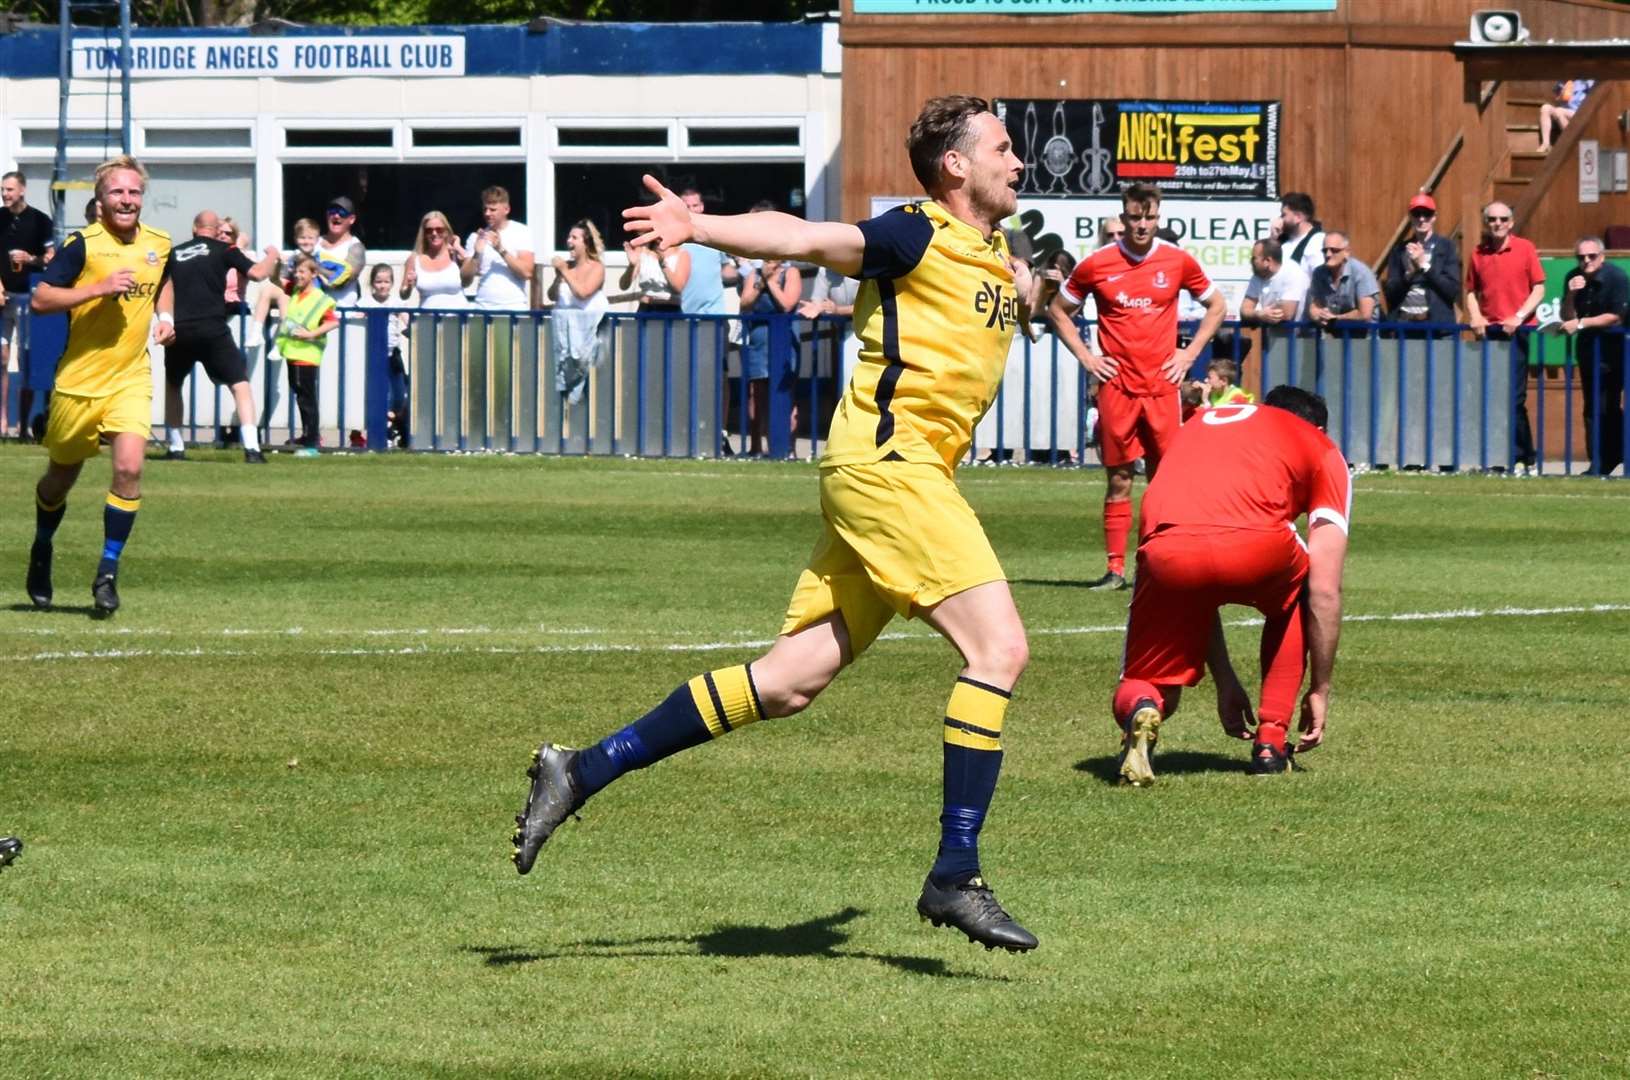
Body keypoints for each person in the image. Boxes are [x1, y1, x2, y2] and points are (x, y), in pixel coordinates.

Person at [510, 95, 1041, 953]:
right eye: (1004, 148)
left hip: (896, 478)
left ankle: (582, 768)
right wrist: (702, 225)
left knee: (788, 682)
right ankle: (955, 872)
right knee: (1000, 651)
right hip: (890, 470)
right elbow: (803, 238)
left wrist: (1029, 287)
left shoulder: (990, 255)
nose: (1019, 163)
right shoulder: (914, 233)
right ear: (957, 165)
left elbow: (1007, 297)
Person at [1111, 385, 1351, 785]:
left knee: (1148, 673)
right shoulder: (1320, 445)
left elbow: (1202, 578)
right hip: (1258, 546)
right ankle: (1271, 741)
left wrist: (1225, 680)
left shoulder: (1201, 423)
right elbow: (1325, 590)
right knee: (1300, 592)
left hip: (1166, 546)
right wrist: (1320, 689)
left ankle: (1142, 706)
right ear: (1321, 428)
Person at [1044, 181, 1228, 591]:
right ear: (1123, 217)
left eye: (1149, 217)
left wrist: (1188, 354)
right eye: (1134, 217)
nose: (1142, 225)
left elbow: (1217, 306)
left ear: (1159, 217)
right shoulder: (1097, 264)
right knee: (1119, 479)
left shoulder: (1178, 261)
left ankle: (1161, 564)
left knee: (1164, 481)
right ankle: (1115, 569)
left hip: (1162, 388)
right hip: (1118, 389)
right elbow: (1057, 310)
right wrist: (1088, 357)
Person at [25, 155, 175, 616]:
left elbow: (163, 280)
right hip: (79, 382)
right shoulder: (82, 246)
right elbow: (41, 298)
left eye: (133, 192)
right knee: (59, 480)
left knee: (129, 469)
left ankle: (107, 573)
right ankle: (42, 546)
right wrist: (96, 288)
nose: (126, 200)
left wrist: (165, 315)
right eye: (117, 192)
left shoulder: (159, 243)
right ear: (101, 199)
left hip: (131, 377)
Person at [160, 210, 280, 464]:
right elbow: (258, 273)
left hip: (180, 329)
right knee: (240, 385)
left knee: (174, 385)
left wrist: (165, 321)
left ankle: (175, 447)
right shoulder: (225, 249)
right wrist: (273, 255)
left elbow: (162, 288)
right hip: (212, 327)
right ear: (215, 231)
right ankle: (252, 449)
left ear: (194, 228)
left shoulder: (174, 253)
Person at [1466, 201, 1543, 474]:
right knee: (1490, 398)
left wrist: (1518, 317)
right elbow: (1470, 292)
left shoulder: (1525, 248)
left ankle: (1524, 457)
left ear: (1511, 222)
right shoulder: (1478, 253)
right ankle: (1501, 459)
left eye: (1503, 219)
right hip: (1489, 333)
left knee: (1514, 399)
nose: (1497, 223)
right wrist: (1475, 317)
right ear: (1486, 223)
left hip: (1517, 331)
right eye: (1492, 219)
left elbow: (1539, 289)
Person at [735, 202, 804, 457]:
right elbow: (745, 302)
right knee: (757, 393)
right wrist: (762, 279)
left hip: (784, 340)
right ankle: (755, 447)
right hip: (758, 338)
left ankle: (789, 448)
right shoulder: (755, 272)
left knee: (786, 394)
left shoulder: (791, 272)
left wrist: (773, 284)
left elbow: (787, 304)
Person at [1560, 236, 1627, 476]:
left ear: (1603, 257)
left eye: (1591, 256)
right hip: (1589, 353)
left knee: (1610, 407)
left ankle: (1616, 455)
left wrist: (1580, 323)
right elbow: (1567, 316)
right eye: (1581, 257)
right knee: (1593, 409)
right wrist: (1570, 295)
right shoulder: (1572, 277)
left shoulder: (1616, 278)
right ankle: (1599, 462)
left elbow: (1616, 316)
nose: (1586, 261)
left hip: (1616, 352)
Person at [2, 170, 55, 441]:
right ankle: (3, 423)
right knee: (1, 359)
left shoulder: (40, 221)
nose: (5, 194)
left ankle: (25, 427)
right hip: (2, 298)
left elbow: (50, 258)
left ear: (22, 190)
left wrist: (30, 258)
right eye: (3, 190)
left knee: (28, 361)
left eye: (9, 190)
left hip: (28, 300)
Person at [274, 253, 339, 453]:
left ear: (313, 274)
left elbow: (333, 322)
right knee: (300, 395)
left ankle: (312, 443)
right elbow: (275, 280)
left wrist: (311, 334)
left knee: (306, 398)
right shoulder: (294, 291)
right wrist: (276, 263)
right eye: (296, 270)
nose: (297, 275)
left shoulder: (320, 299)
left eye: (302, 271)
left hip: (307, 355)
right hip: (293, 352)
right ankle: (306, 435)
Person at [549, 220, 609, 406]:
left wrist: (565, 272)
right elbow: (552, 295)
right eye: (569, 237)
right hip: (566, 338)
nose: (569, 241)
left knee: (589, 390)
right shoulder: (568, 267)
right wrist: (559, 277)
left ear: (586, 242)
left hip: (590, 338)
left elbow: (583, 293)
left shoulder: (597, 267)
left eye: (574, 237)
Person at [1382, 194, 1460, 328]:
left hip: (1436, 328)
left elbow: (1452, 290)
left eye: (1427, 214)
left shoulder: (1446, 247)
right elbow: (1390, 293)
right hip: (1404, 325)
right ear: (1410, 217)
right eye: (1417, 214)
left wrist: (1425, 266)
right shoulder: (1400, 250)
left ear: (1434, 217)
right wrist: (1409, 274)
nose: (1422, 219)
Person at [359, 263, 411, 446]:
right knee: (381, 395)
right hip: (373, 354)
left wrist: (410, 329)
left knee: (400, 394)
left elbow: (407, 318)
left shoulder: (396, 302)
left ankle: (396, 428)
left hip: (393, 354)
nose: (382, 285)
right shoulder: (365, 302)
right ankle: (384, 432)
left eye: (386, 282)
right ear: (372, 283)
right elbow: (356, 321)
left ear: (392, 283)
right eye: (378, 281)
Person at [461, 185, 535, 310]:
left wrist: (500, 249)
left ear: (506, 209)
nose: (487, 213)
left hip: (513, 308)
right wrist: (476, 255)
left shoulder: (522, 232)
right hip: (482, 308)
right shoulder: (476, 237)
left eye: (493, 209)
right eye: (485, 209)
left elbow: (527, 273)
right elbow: (465, 280)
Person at [1306, 231, 1380, 329]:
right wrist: (1319, 316)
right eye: (1325, 250)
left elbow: (1365, 314)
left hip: (1363, 339)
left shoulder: (1361, 273)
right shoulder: (1319, 273)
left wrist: (1336, 318)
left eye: (1334, 250)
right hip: (1333, 337)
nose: (1328, 254)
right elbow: (1314, 307)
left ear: (1346, 252)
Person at [677, 188, 731, 317]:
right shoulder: (674, 240)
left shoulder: (715, 237)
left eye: (695, 205)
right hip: (682, 313)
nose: (691, 210)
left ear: (701, 207)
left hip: (713, 313)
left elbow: (726, 270)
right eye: (686, 206)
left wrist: (747, 269)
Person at [399, 210, 468, 309]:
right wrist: (409, 286)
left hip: (456, 320)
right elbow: (403, 294)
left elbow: (474, 268)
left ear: (446, 231)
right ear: (424, 233)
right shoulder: (415, 259)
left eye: (439, 229)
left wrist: (458, 247)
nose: (434, 233)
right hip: (427, 321)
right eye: (429, 230)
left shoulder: (455, 254)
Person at [314, 196, 365, 305]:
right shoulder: (314, 242)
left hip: (342, 315)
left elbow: (343, 280)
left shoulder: (355, 247)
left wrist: (313, 268)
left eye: (342, 212)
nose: (336, 216)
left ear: (351, 219)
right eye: (332, 211)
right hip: (312, 313)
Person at [618, 237, 687, 313]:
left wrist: (663, 265)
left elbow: (678, 288)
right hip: (645, 309)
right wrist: (632, 265)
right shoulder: (641, 252)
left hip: (671, 311)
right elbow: (623, 286)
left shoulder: (681, 254)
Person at [1274, 192, 1325, 278]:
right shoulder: (1282, 240)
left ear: (1298, 217)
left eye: (1284, 215)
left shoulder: (1317, 241)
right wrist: (1273, 236)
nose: (1280, 219)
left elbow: (1319, 278)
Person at [1537, 79, 1593, 153]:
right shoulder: (1561, 81)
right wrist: (1561, 95)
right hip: (1563, 110)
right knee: (1545, 108)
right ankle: (1546, 144)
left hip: (1579, 112)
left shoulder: (1586, 81)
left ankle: (1572, 142)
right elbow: (1557, 99)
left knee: (1559, 111)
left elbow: (1594, 96)